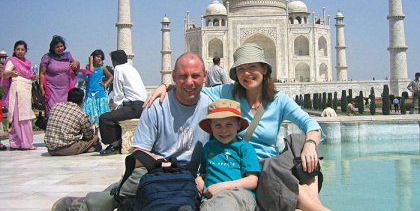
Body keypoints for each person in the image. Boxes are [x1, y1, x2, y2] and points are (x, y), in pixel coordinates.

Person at [146, 43, 329, 211]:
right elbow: (193, 86)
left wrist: (310, 144)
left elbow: (310, 124)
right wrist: (166, 85)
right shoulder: (228, 92)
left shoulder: (279, 100)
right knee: (280, 173)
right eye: (241, 69)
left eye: (252, 67)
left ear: (264, 69)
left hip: (272, 164)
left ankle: (315, 204)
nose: (247, 73)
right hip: (247, 167)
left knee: (300, 142)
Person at [51, 52, 212, 211]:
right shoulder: (157, 106)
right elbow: (139, 152)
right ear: (174, 76)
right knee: (129, 187)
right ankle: (84, 206)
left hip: (193, 178)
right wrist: (171, 166)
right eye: (183, 76)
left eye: (195, 76)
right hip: (157, 170)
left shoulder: (212, 108)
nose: (189, 82)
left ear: (204, 76)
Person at [197, 99, 260, 211]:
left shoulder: (244, 148)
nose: (224, 130)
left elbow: (252, 180)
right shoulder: (208, 148)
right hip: (210, 199)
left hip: (238, 195)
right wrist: (199, 180)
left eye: (229, 124)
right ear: (211, 127)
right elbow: (204, 173)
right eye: (218, 126)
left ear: (238, 125)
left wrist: (221, 187)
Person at [99, 50, 148, 156]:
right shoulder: (131, 68)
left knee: (104, 118)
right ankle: (117, 142)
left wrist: (116, 107)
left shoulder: (118, 69)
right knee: (115, 117)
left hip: (134, 107)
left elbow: (118, 92)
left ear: (114, 61)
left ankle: (114, 145)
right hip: (143, 105)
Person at [2, 40, 37, 150]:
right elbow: (5, 74)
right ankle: (18, 143)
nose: (20, 51)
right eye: (18, 49)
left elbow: (29, 75)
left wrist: (32, 77)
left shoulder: (27, 63)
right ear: (14, 50)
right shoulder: (12, 61)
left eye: (22, 49)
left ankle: (26, 143)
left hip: (25, 90)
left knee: (26, 116)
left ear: (26, 51)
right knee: (17, 117)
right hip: (17, 90)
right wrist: (12, 73)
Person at [44, 88, 100, 156]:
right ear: (82, 100)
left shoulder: (55, 106)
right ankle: (89, 148)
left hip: (50, 149)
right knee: (95, 138)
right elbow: (89, 135)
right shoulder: (81, 114)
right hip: (66, 149)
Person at [39, 35, 80, 116]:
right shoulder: (47, 57)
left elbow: (76, 70)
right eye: (57, 47)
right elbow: (42, 74)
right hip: (51, 90)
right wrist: (41, 88)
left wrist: (77, 63)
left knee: (65, 114)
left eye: (61, 46)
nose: (60, 48)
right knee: (53, 113)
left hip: (65, 91)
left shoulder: (68, 56)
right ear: (53, 48)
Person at [83, 49, 113, 126]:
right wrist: (90, 60)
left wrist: (105, 84)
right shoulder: (88, 66)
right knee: (89, 114)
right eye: (97, 56)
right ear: (93, 57)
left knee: (101, 114)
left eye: (101, 57)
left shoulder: (102, 68)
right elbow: (91, 72)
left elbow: (111, 77)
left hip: (100, 92)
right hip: (90, 93)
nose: (99, 59)